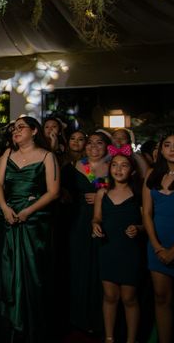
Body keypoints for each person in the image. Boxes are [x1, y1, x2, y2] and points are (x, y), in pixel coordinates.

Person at [0, 116, 59, 342]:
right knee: (8, 269)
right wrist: (3, 207)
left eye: (21, 128)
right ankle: (11, 328)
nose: (15, 131)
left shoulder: (48, 156)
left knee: (34, 273)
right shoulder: (7, 154)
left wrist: (27, 211)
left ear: (34, 130)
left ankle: (33, 330)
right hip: (9, 217)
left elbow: (53, 191)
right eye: (13, 129)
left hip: (34, 222)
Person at [92, 153, 142, 343]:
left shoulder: (137, 193)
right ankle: (109, 337)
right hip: (108, 248)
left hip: (130, 250)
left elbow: (146, 222)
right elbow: (96, 217)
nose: (119, 169)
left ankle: (131, 339)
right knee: (110, 295)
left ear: (132, 170)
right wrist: (95, 225)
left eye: (124, 165)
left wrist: (138, 228)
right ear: (109, 168)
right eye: (115, 165)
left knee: (129, 297)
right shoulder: (102, 192)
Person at [66, 131, 110, 334]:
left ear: (107, 146)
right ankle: (79, 317)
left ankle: (101, 319)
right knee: (80, 266)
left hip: (107, 221)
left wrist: (103, 195)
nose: (93, 147)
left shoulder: (114, 165)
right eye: (90, 143)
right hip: (80, 221)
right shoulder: (78, 165)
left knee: (102, 268)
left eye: (99, 143)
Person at [142, 133, 174, 343]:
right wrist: (157, 247)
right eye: (167, 145)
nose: (173, 149)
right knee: (161, 298)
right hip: (156, 245)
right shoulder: (152, 174)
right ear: (161, 150)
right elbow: (147, 213)